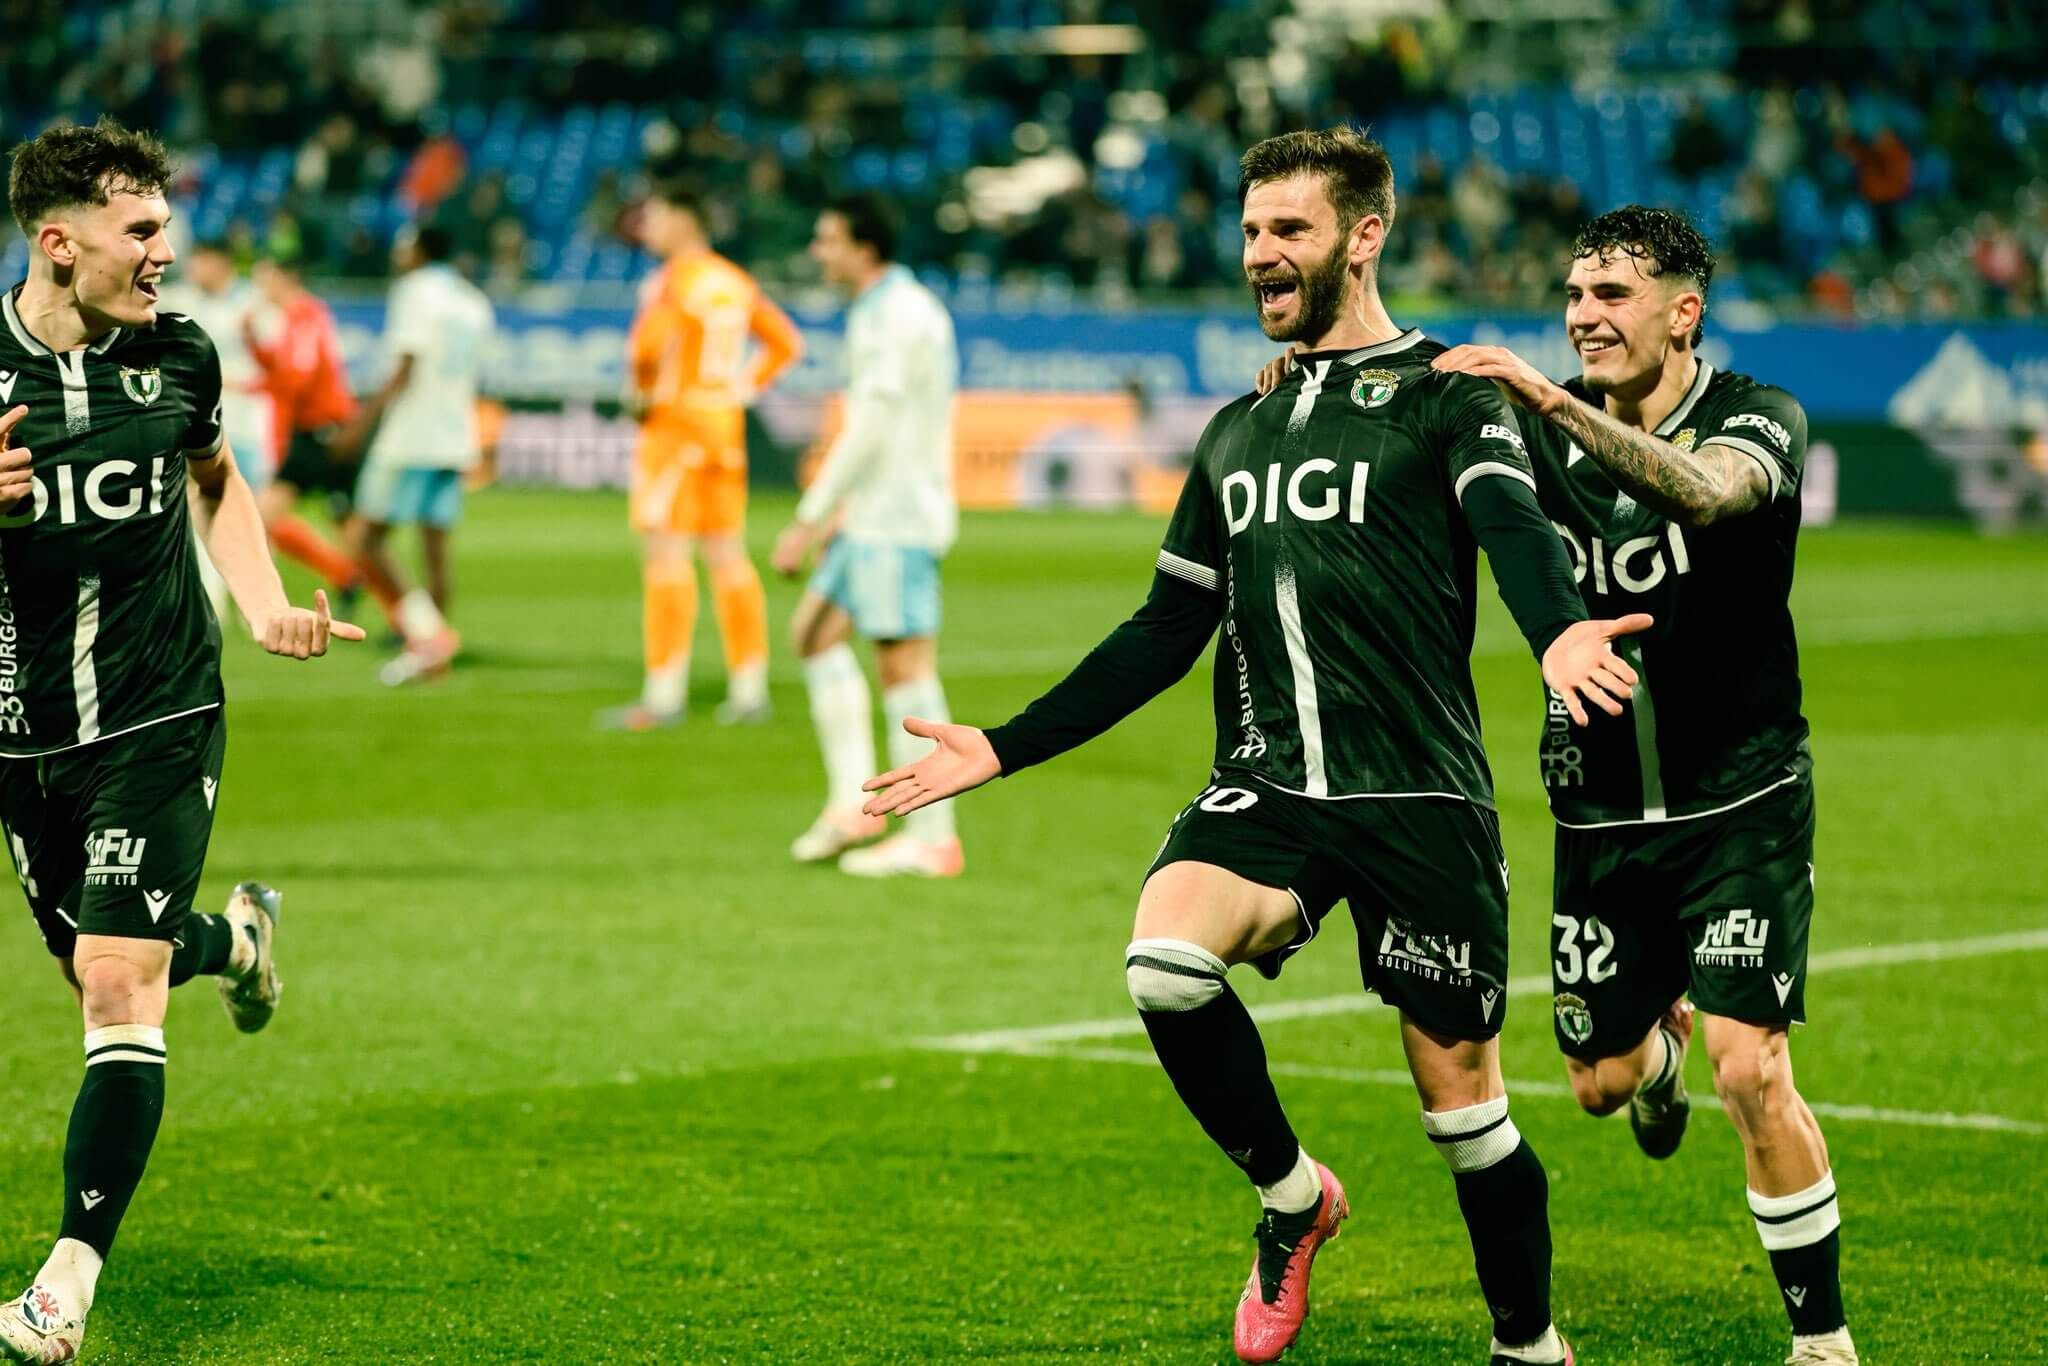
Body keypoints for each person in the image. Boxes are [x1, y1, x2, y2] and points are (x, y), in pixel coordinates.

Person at [864, 126, 1650, 1365]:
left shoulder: (1450, 392)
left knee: (1465, 1113)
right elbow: (1167, 627)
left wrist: (1556, 635)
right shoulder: (1235, 430)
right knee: (1163, 962)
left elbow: (1510, 526)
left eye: (1286, 230)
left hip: (1416, 794)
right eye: (1248, 232)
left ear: (1362, 234)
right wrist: (1001, 748)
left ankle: (1529, 1345)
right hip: (1268, 787)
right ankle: (1293, 1198)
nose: (1260, 256)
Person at [1429, 207, 1856, 1366]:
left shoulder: (1757, 416)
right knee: (1597, 1084)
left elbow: (1709, 495)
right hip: (1598, 814)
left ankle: (1820, 1342)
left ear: (1683, 311)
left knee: (1749, 1064)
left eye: (1610, 296)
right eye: (1573, 296)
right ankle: (1648, 1052)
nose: (1581, 316)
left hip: (1741, 799)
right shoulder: (1530, 441)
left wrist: (1552, 401)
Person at [0, 117, 362, 1364]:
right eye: (139, 229)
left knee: (115, 981)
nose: (167, 249)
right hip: (24, 733)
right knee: (108, 962)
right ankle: (237, 938)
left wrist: (262, 604)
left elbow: (215, 480)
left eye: (166, 224)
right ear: (59, 244)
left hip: (161, 705)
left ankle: (64, 1283)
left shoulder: (181, 359)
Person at [774, 196, 962, 877]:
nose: (818, 252)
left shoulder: (898, 316)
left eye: (827, 240)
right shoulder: (879, 309)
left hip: (900, 516)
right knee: (814, 636)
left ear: (864, 246)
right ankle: (851, 806)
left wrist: (812, 515)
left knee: (905, 671)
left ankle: (933, 837)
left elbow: (873, 425)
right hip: (872, 515)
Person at [595, 179, 803, 731]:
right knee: (728, 556)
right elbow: (785, 345)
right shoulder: (734, 280)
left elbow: (644, 348)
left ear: (685, 221)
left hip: (676, 427)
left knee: (666, 555)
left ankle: (663, 695)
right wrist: (740, 388)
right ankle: (749, 687)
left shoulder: (671, 280)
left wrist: (640, 395)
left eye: (657, 217)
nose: (648, 228)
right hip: (723, 428)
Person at [332, 225, 493, 687]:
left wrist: (361, 426)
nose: (398, 254)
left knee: (364, 537)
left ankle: (427, 639)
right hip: (455, 433)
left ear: (420, 250)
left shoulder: (416, 292)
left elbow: (405, 365)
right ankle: (434, 644)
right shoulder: (472, 300)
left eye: (403, 246)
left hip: (413, 435)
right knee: (436, 545)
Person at [242, 254, 405, 638]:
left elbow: (298, 376)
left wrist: (259, 385)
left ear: (285, 278)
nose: (261, 288)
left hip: (325, 435)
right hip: (317, 432)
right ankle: (391, 609)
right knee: (347, 532)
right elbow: (285, 370)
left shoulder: (306, 316)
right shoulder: (295, 320)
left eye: (265, 278)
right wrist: (252, 342)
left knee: (267, 517)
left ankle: (356, 590)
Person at [156, 239, 273, 626]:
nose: (195, 269)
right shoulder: (181, 301)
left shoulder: (254, 305)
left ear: (222, 264)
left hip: (250, 424)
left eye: (203, 261)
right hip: (201, 425)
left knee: (249, 513)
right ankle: (213, 602)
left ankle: (256, 600)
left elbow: (276, 361)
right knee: (200, 508)